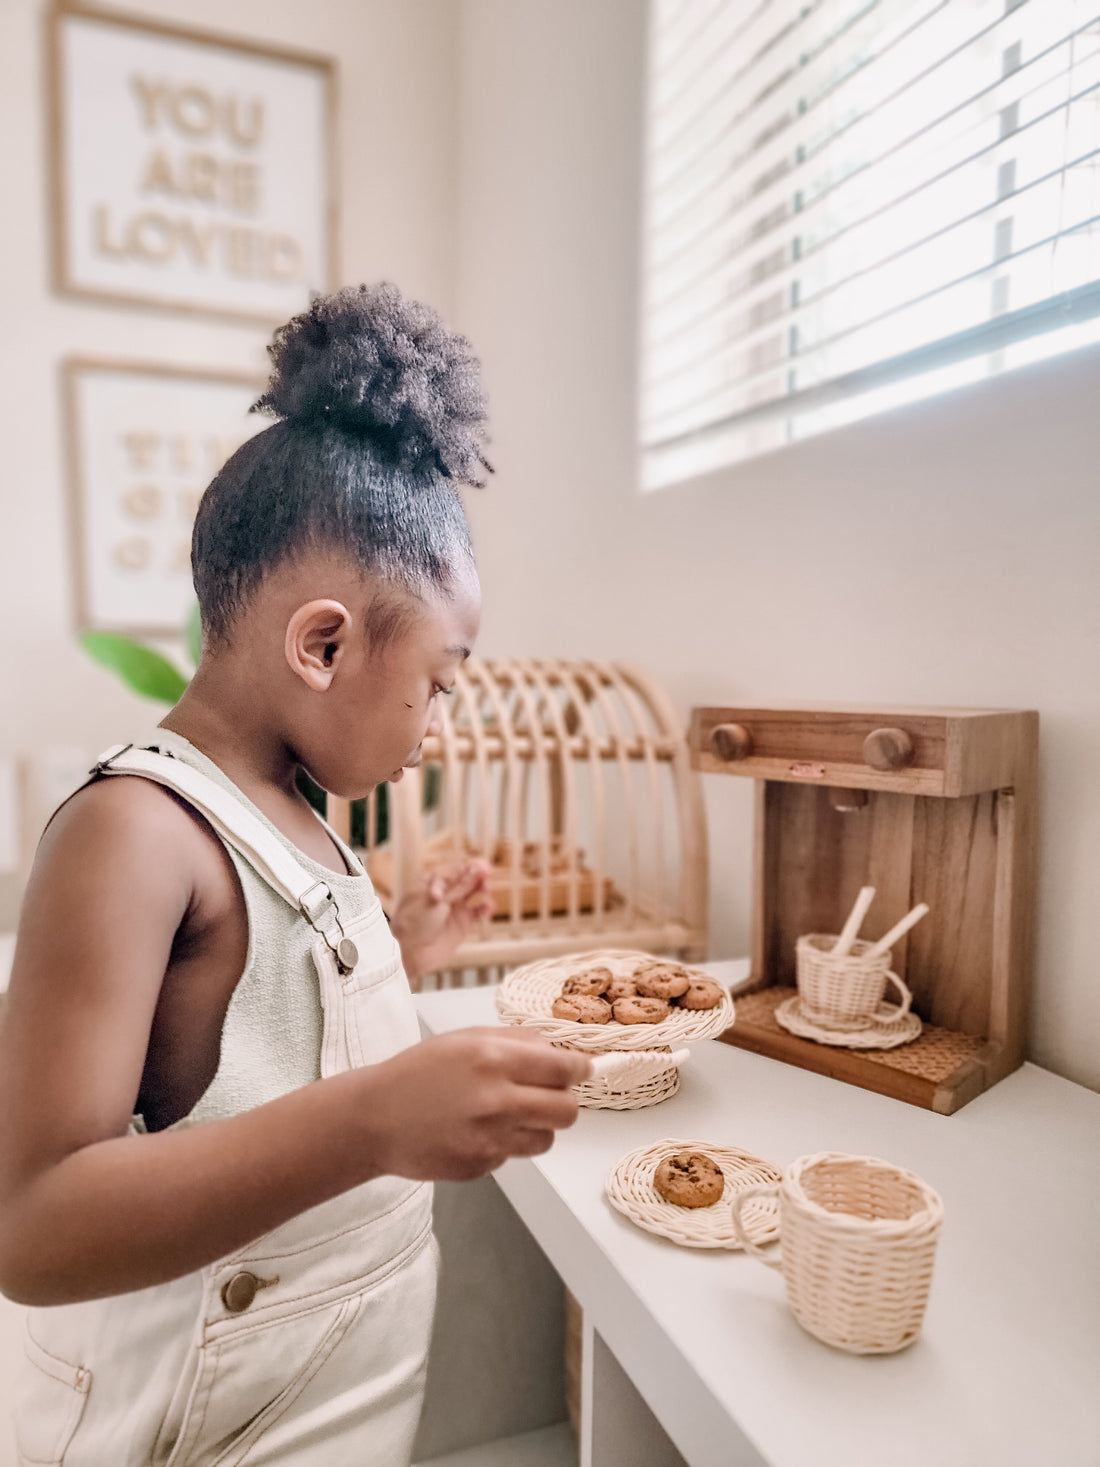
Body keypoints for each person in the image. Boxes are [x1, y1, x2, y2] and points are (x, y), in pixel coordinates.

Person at [0, 282, 590, 1466]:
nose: (437, 725)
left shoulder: (298, 812)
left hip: (338, 1394)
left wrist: (400, 946)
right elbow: (32, 1224)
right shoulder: (134, 832)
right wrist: (370, 1122)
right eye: (438, 683)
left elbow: (253, 1026)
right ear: (322, 645)